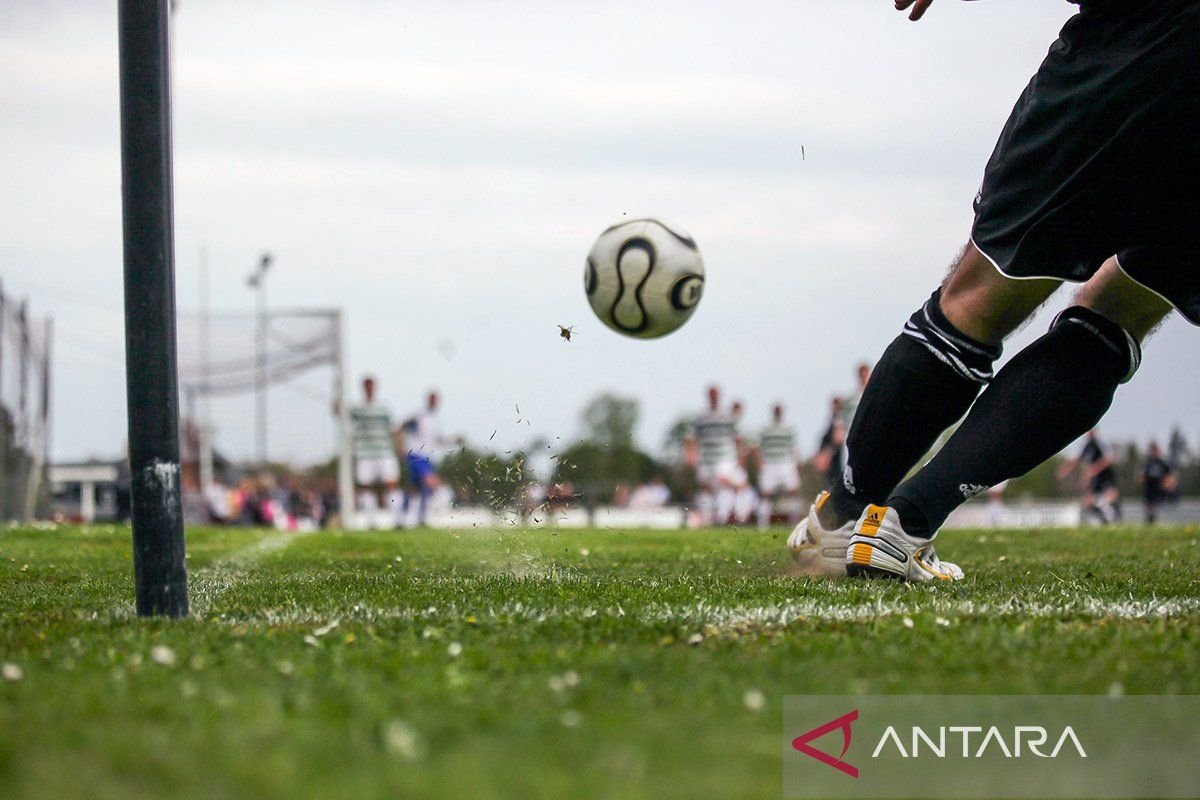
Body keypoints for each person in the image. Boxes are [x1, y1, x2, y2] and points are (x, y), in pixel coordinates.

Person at [791, 0, 1199, 580]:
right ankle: (905, 524)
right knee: (1121, 313)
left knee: (976, 300)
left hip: (1136, 41)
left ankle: (844, 518)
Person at [350, 376, 403, 528]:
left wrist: (399, 446)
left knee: (392, 484)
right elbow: (342, 416)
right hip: (365, 454)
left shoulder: (383, 408)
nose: (369, 389)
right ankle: (370, 522)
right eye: (366, 386)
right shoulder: (357, 409)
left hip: (385, 452)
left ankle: (398, 520)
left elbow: (394, 428)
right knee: (366, 486)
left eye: (371, 386)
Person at [683, 386, 739, 526]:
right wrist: (690, 453)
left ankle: (722, 518)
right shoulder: (701, 416)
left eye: (715, 395)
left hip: (724, 456)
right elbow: (691, 437)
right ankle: (707, 520)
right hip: (705, 458)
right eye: (711, 395)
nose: (713, 398)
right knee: (705, 487)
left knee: (723, 484)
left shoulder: (727, 416)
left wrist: (739, 456)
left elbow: (737, 437)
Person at [401, 390, 454, 527]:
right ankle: (420, 516)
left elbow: (438, 440)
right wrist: (400, 446)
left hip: (428, 457)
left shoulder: (436, 419)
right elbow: (401, 427)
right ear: (428, 400)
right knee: (430, 481)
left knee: (415, 488)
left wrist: (453, 440)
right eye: (432, 399)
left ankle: (409, 517)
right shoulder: (419, 415)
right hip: (415, 454)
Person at [1057, 429, 1122, 525]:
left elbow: (1109, 459)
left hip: (1106, 477)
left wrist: (1094, 469)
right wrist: (1066, 469)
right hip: (1095, 479)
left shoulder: (1101, 442)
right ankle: (1103, 520)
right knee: (1087, 501)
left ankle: (1114, 519)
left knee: (1111, 496)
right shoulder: (1087, 445)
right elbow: (1077, 458)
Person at [757, 403, 803, 528]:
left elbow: (794, 448)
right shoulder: (766, 430)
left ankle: (795, 523)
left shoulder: (788, 429)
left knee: (794, 491)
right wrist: (760, 463)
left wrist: (797, 464)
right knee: (766, 494)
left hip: (786, 462)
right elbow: (760, 448)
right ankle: (762, 524)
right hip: (770, 463)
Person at [1138, 441, 1177, 524]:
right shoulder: (1147, 463)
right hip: (1150, 489)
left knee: (1161, 507)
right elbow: (1141, 476)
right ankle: (1151, 522)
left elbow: (1171, 476)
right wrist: (1142, 481)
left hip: (1160, 489)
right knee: (1150, 509)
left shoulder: (1163, 463)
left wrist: (1168, 485)